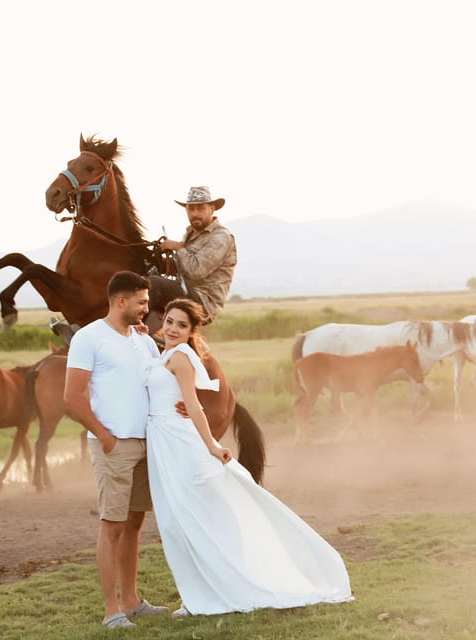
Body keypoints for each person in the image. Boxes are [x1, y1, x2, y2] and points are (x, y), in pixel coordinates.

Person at [145, 298, 354, 617]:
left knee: (190, 520)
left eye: (181, 325)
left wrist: (213, 446)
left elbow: (196, 405)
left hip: (179, 443)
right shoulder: (166, 354)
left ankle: (206, 594)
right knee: (178, 522)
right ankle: (199, 592)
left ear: (191, 332)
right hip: (165, 443)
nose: (173, 328)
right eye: (169, 321)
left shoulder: (181, 358)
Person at [64, 271, 168, 629]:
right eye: (141, 302)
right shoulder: (89, 338)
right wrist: (104, 437)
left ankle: (132, 601)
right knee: (113, 525)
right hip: (114, 447)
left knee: (136, 523)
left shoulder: (144, 342)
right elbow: (72, 398)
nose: (147, 308)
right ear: (121, 301)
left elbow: (157, 385)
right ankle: (112, 612)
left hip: (146, 443)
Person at [146, 185, 237, 333]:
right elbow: (182, 268)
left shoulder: (220, 237)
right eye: (191, 209)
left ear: (212, 209)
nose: (195, 213)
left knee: (153, 284)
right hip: (186, 291)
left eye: (200, 208)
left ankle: (132, 331)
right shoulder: (190, 235)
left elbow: (195, 270)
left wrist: (178, 247)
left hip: (203, 302)